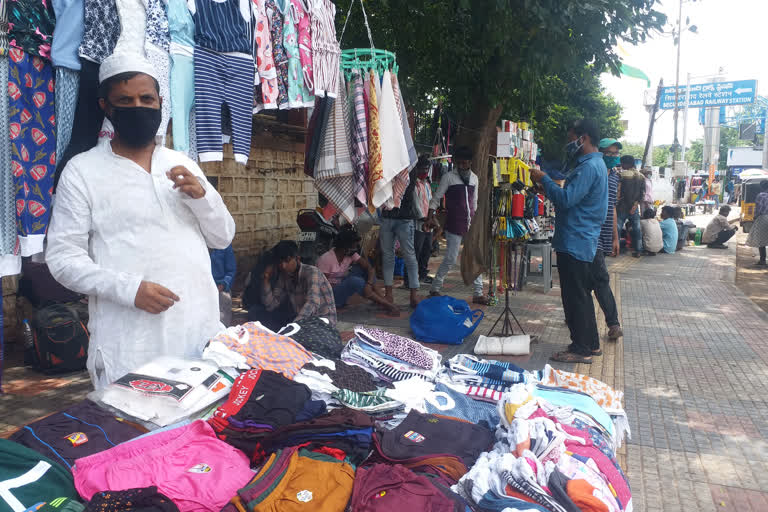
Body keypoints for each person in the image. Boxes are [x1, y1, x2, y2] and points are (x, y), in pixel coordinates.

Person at [46, 54, 236, 389]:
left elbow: (222, 237)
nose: (138, 107)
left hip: (196, 331)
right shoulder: (82, 171)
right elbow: (63, 259)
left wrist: (204, 199)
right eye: (126, 100)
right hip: (129, 340)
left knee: (201, 433)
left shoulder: (181, 163)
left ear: (160, 103)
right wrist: (129, 289)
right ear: (106, 107)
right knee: (135, 432)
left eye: (146, 99)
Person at [530, 119, 607, 364]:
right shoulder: (595, 165)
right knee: (581, 295)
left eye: (570, 138)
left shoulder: (588, 167)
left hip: (575, 240)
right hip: (580, 238)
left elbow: (566, 200)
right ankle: (591, 344)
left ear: (582, 139)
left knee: (575, 297)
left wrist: (545, 180)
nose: (568, 144)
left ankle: (581, 348)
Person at [427, 145, 489, 304]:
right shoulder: (449, 177)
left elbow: (474, 202)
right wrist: (430, 215)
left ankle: (478, 292)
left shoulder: (474, 178)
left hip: (470, 224)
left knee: (474, 257)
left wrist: (475, 223)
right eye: (459, 163)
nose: (461, 166)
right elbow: (436, 198)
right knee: (450, 258)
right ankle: (435, 288)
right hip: (454, 223)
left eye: (464, 163)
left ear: (470, 163)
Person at [317, 229, 399, 314]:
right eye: (353, 246)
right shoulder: (326, 259)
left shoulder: (350, 254)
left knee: (363, 270)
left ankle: (381, 299)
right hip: (330, 298)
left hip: (340, 287)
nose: (355, 249)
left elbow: (369, 268)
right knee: (354, 281)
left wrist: (369, 284)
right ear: (345, 246)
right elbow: (321, 287)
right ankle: (386, 304)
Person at [379, 159, 424, 308]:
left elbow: (407, 190)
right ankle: (390, 294)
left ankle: (413, 294)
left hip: (403, 218)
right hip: (389, 217)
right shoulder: (390, 164)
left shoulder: (409, 166)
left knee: (407, 256)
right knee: (390, 256)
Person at [261, 240, 337, 325]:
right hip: (304, 322)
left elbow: (313, 303)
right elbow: (271, 305)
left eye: (287, 261)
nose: (283, 266)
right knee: (259, 314)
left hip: (323, 322)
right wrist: (266, 279)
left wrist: (295, 325)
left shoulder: (312, 272)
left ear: (297, 258)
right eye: (280, 262)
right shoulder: (284, 276)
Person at [594, 138, 623, 340]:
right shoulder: (592, 172)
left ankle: (613, 323)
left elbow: (612, 206)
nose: (613, 157)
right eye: (609, 153)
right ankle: (613, 324)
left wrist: (615, 237)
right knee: (598, 279)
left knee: (599, 279)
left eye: (616, 154)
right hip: (588, 234)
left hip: (601, 236)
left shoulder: (614, 177)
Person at [616, 155, 645, 258]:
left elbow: (618, 192)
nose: (622, 165)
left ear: (626, 164)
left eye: (622, 163)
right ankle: (638, 250)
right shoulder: (641, 176)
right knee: (637, 229)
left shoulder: (621, 175)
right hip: (634, 207)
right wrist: (635, 205)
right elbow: (642, 193)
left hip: (622, 207)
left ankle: (616, 249)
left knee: (617, 228)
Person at [413, 156, 434, 283]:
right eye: (422, 169)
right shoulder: (415, 185)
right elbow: (416, 205)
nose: (425, 171)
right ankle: (412, 276)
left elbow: (431, 202)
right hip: (419, 223)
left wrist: (432, 217)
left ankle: (422, 273)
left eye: (427, 169)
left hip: (429, 223)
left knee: (427, 250)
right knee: (417, 250)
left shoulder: (427, 184)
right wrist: (423, 218)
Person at [210, 245, 236, 326]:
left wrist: (222, 285)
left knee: (221, 322)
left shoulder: (224, 245)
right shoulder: (198, 243)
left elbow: (231, 272)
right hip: (203, 290)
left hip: (220, 289)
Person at [746, 180, 768, 266]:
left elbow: (758, 209)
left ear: (762, 187)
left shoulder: (761, 195)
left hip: (763, 218)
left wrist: (754, 218)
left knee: (761, 240)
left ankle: (762, 260)